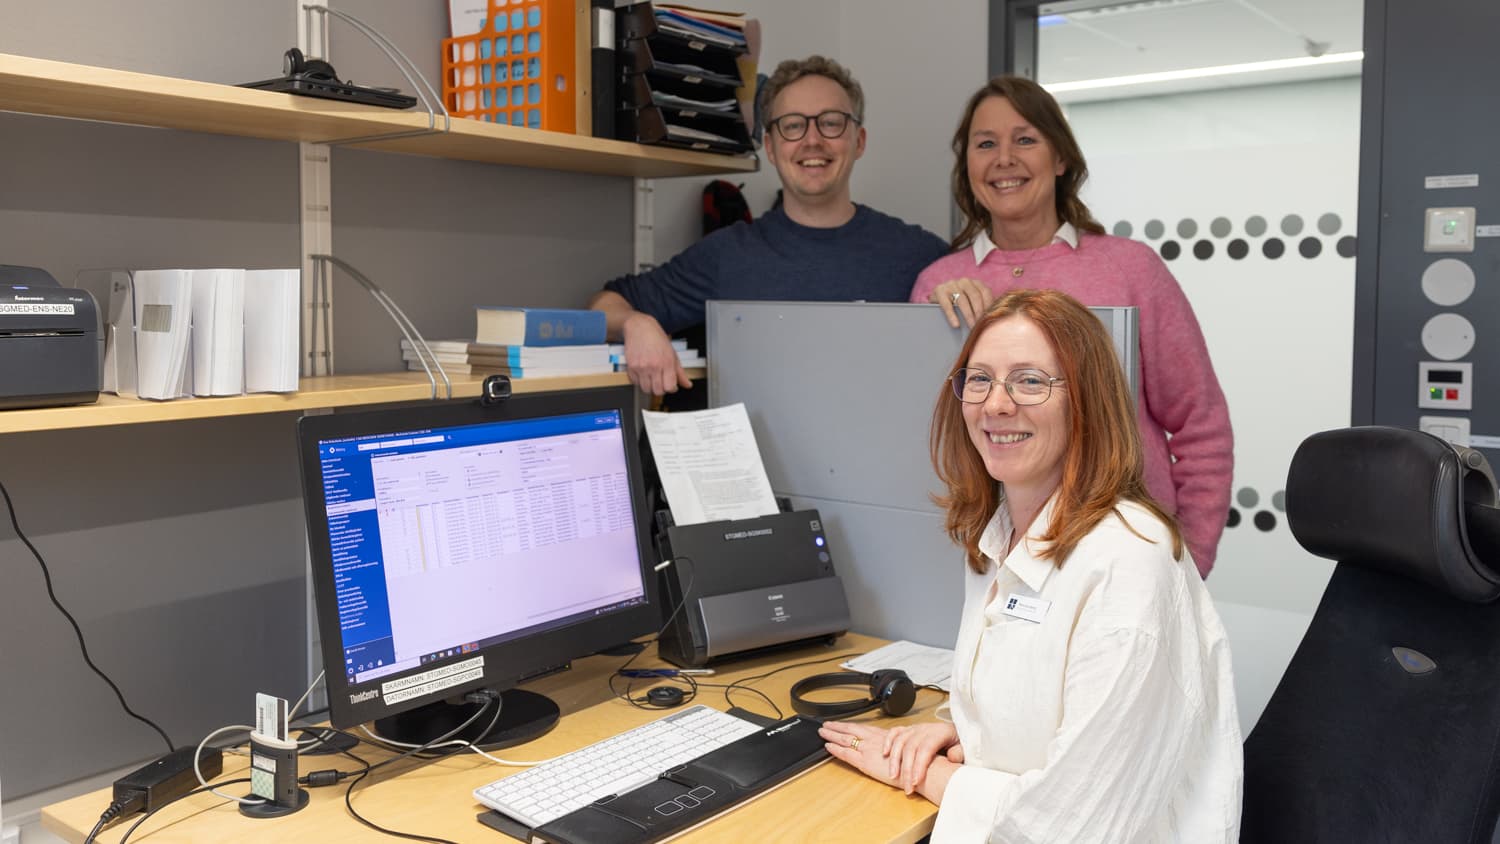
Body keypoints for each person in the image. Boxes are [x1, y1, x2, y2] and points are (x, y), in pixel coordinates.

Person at [819, 288, 1242, 843]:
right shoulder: (997, 537)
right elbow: (1048, 708)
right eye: (979, 379)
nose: (996, 404)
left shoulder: (1130, 563)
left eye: (1030, 380)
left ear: (1086, 402)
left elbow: (1075, 826)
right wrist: (961, 738)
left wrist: (929, 774)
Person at [909, 76, 1232, 576]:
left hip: (1124, 558)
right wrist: (932, 320)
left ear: (1060, 158)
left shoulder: (1131, 269)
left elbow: (1201, 425)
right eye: (985, 143)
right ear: (967, 164)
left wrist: (1188, 561)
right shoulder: (936, 284)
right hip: (986, 562)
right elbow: (930, 442)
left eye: (1025, 139)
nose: (1004, 159)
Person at [589, 55, 948, 397]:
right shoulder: (727, 254)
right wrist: (636, 325)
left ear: (860, 142)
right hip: (756, 461)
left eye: (831, 123)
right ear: (771, 148)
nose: (812, 140)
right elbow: (604, 307)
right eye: (793, 125)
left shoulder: (918, 256)